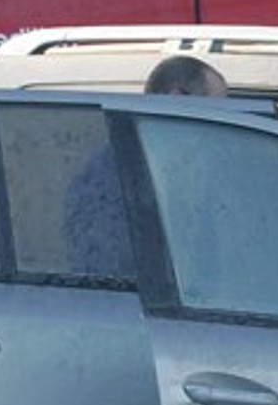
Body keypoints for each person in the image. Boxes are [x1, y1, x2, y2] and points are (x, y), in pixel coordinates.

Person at [63, 54, 228, 275]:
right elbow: (112, 271)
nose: (219, 128)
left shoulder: (171, 167)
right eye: (216, 112)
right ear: (178, 100)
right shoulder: (113, 177)